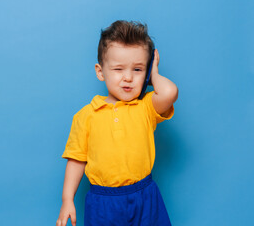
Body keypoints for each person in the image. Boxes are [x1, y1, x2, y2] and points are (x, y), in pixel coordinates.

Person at [56, 20, 178, 226]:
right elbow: (76, 160)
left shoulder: (146, 107)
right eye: (119, 69)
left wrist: (153, 73)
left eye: (138, 70)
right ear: (100, 72)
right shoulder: (86, 115)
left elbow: (169, 92)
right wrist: (67, 199)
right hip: (103, 202)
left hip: (144, 195)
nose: (128, 77)